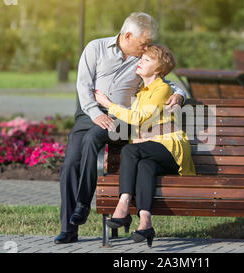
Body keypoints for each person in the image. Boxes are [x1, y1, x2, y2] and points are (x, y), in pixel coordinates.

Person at [54, 12, 187, 244]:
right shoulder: (96, 48)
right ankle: (69, 228)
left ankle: (83, 205)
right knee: (69, 164)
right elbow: (83, 86)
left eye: (148, 43)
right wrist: (96, 114)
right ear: (127, 35)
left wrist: (179, 95)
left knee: (94, 137)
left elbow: (166, 80)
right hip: (90, 114)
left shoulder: (143, 57)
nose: (146, 47)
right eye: (143, 42)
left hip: (124, 120)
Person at [94, 44, 196, 248]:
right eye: (142, 58)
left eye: (147, 60)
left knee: (130, 150)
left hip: (170, 148)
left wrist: (108, 104)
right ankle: (145, 221)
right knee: (144, 167)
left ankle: (123, 204)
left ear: (158, 69)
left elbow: (138, 118)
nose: (140, 62)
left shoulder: (162, 89)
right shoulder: (141, 92)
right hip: (152, 152)